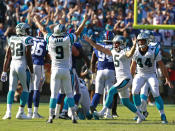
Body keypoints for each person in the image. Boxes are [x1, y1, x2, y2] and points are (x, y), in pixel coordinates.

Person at [34, 13, 88, 123]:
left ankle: (50, 117)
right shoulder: (67, 39)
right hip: (66, 70)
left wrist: (36, 21)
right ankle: (73, 116)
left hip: (55, 70)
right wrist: (84, 20)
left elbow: (43, 30)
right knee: (69, 94)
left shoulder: (51, 39)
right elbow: (78, 32)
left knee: (53, 95)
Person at [84, 35, 145, 123]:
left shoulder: (125, 51)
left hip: (126, 79)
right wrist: (90, 41)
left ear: (122, 44)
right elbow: (100, 48)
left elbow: (130, 53)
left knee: (111, 91)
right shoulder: (113, 51)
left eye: (117, 43)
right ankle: (141, 116)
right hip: (120, 79)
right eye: (114, 43)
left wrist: (134, 45)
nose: (115, 45)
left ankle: (102, 112)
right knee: (125, 102)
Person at [131, 32, 174, 124]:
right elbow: (133, 65)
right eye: (139, 41)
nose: (141, 43)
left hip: (151, 74)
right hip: (140, 74)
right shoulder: (135, 50)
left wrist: (167, 78)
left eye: (143, 41)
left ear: (147, 41)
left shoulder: (154, 50)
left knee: (155, 93)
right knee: (134, 91)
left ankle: (162, 115)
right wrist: (130, 77)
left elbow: (162, 66)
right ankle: (139, 114)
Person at [1, 22, 34, 120]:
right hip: (21, 64)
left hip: (13, 64)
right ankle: (20, 112)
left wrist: (4, 71)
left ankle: (8, 112)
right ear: (23, 30)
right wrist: (32, 71)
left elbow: (7, 56)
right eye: (27, 29)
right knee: (25, 89)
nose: (28, 31)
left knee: (11, 89)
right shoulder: (27, 39)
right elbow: (28, 57)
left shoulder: (12, 38)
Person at [90, 31, 116, 119]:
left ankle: (91, 110)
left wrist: (93, 72)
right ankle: (108, 113)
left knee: (97, 92)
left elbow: (93, 61)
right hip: (110, 71)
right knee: (109, 93)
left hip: (100, 71)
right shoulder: (114, 47)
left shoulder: (98, 46)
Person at [27, 30, 49, 119]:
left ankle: (29, 112)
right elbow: (47, 55)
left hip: (30, 64)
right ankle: (35, 113)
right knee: (36, 89)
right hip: (38, 64)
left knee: (30, 89)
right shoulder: (45, 41)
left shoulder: (31, 39)